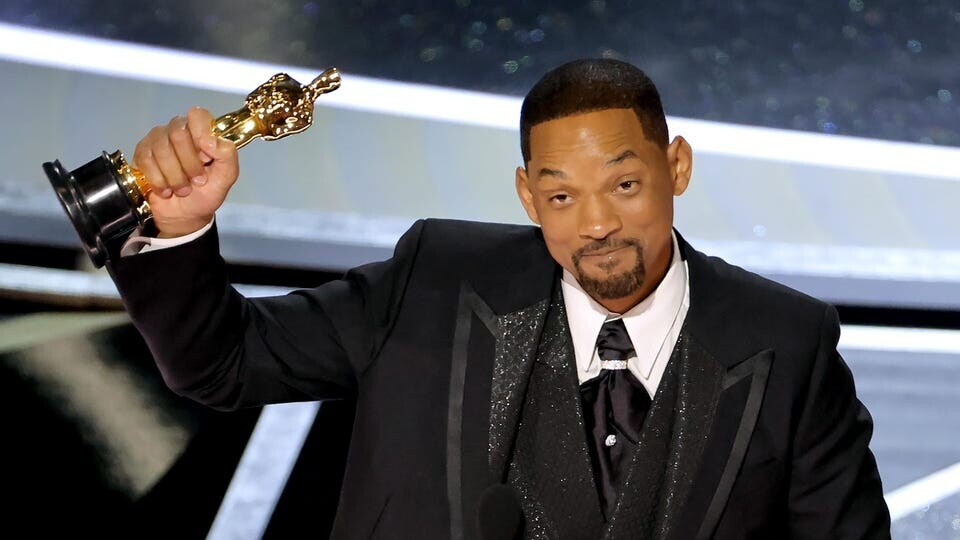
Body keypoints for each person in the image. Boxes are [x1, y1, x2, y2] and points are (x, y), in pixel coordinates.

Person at [106, 59, 891, 539]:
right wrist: (180, 227)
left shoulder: (788, 342)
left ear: (676, 166)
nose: (596, 225)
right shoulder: (434, 282)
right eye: (561, 196)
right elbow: (222, 363)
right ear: (526, 195)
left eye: (624, 184)